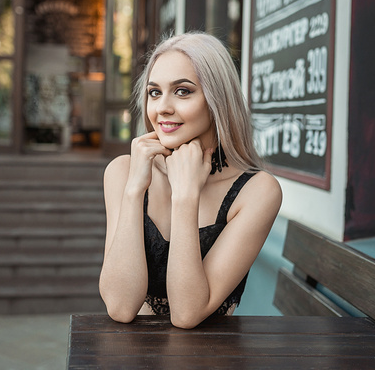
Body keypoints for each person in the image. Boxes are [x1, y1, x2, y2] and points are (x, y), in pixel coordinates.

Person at [99, 32, 283, 329]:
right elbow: (120, 307)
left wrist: (185, 197)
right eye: (154, 92)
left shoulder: (257, 191)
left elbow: (186, 314)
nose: (162, 108)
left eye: (182, 91)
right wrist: (134, 190)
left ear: (216, 100)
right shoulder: (123, 172)